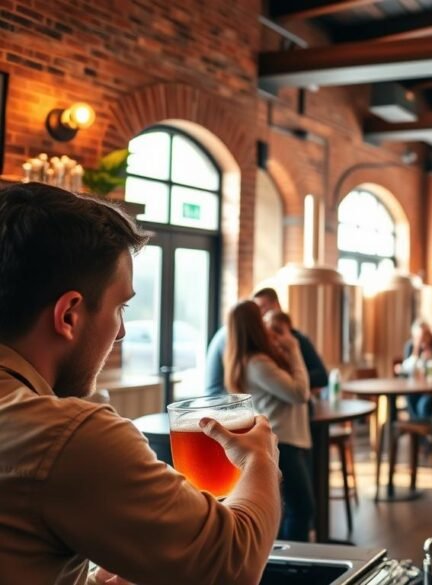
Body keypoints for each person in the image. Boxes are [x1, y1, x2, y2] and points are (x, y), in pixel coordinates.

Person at [0, 183, 281, 584]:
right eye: (120, 307)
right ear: (69, 316)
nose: (121, 333)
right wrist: (260, 460)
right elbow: (232, 566)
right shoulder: (66, 434)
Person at [226, 302, 313, 542]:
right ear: (254, 325)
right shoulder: (257, 364)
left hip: (284, 438)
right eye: (261, 318)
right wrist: (294, 349)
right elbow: (300, 392)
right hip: (282, 440)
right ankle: (294, 570)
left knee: (289, 510)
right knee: (301, 509)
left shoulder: (253, 360)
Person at [205, 287, 328, 395]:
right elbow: (299, 393)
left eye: (263, 307)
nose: (262, 316)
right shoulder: (256, 360)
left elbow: (322, 376)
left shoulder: (295, 338)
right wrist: (292, 378)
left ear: (276, 305)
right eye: (258, 311)